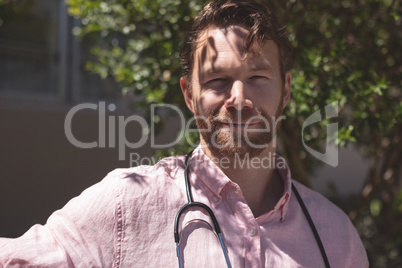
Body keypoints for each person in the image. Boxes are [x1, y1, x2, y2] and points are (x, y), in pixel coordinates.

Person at [0, 0, 368, 267]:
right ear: (189, 96)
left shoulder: (335, 237)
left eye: (257, 78)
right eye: (217, 81)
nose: (238, 99)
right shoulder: (124, 206)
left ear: (285, 90)